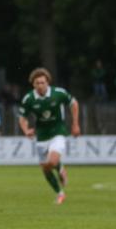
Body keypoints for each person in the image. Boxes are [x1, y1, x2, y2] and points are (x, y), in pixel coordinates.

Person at [17, 68, 80, 205]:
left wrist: (75, 124)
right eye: (37, 83)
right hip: (41, 135)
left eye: (43, 82)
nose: (40, 85)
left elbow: (73, 103)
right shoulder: (29, 98)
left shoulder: (58, 94)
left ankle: (60, 167)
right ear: (33, 84)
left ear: (48, 82)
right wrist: (26, 130)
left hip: (58, 132)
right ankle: (60, 193)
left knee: (51, 162)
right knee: (45, 168)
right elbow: (22, 117)